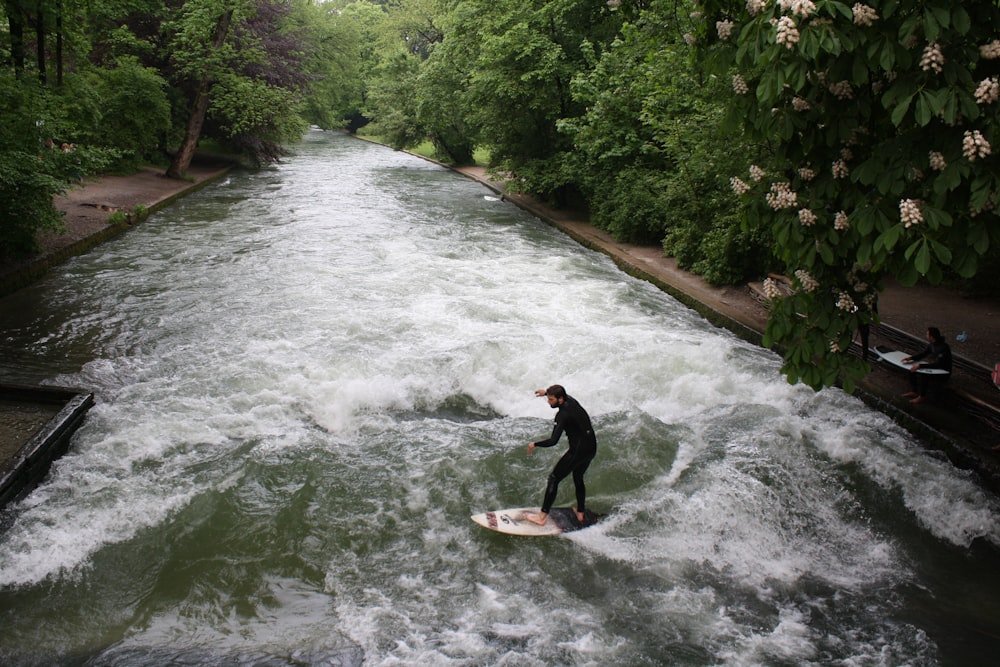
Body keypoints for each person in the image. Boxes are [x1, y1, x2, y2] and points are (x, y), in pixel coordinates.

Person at [523, 385, 597, 526]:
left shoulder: (562, 415)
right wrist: (546, 393)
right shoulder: (572, 401)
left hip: (577, 451)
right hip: (591, 448)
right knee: (578, 477)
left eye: (551, 399)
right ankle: (580, 513)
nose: (548, 402)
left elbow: (553, 441)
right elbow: (560, 394)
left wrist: (535, 444)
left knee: (554, 478)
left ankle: (542, 517)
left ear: (560, 399)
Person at [901, 327, 953, 404]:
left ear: (931, 336)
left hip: (944, 372)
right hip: (937, 368)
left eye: (927, 334)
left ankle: (922, 397)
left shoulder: (943, 348)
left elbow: (938, 364)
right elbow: (923, 354)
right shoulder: (932, 345)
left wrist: (920, 366)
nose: (926, 335)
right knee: (911, 369)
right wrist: (911, 358)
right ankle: (914, 391)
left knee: (924, 374)